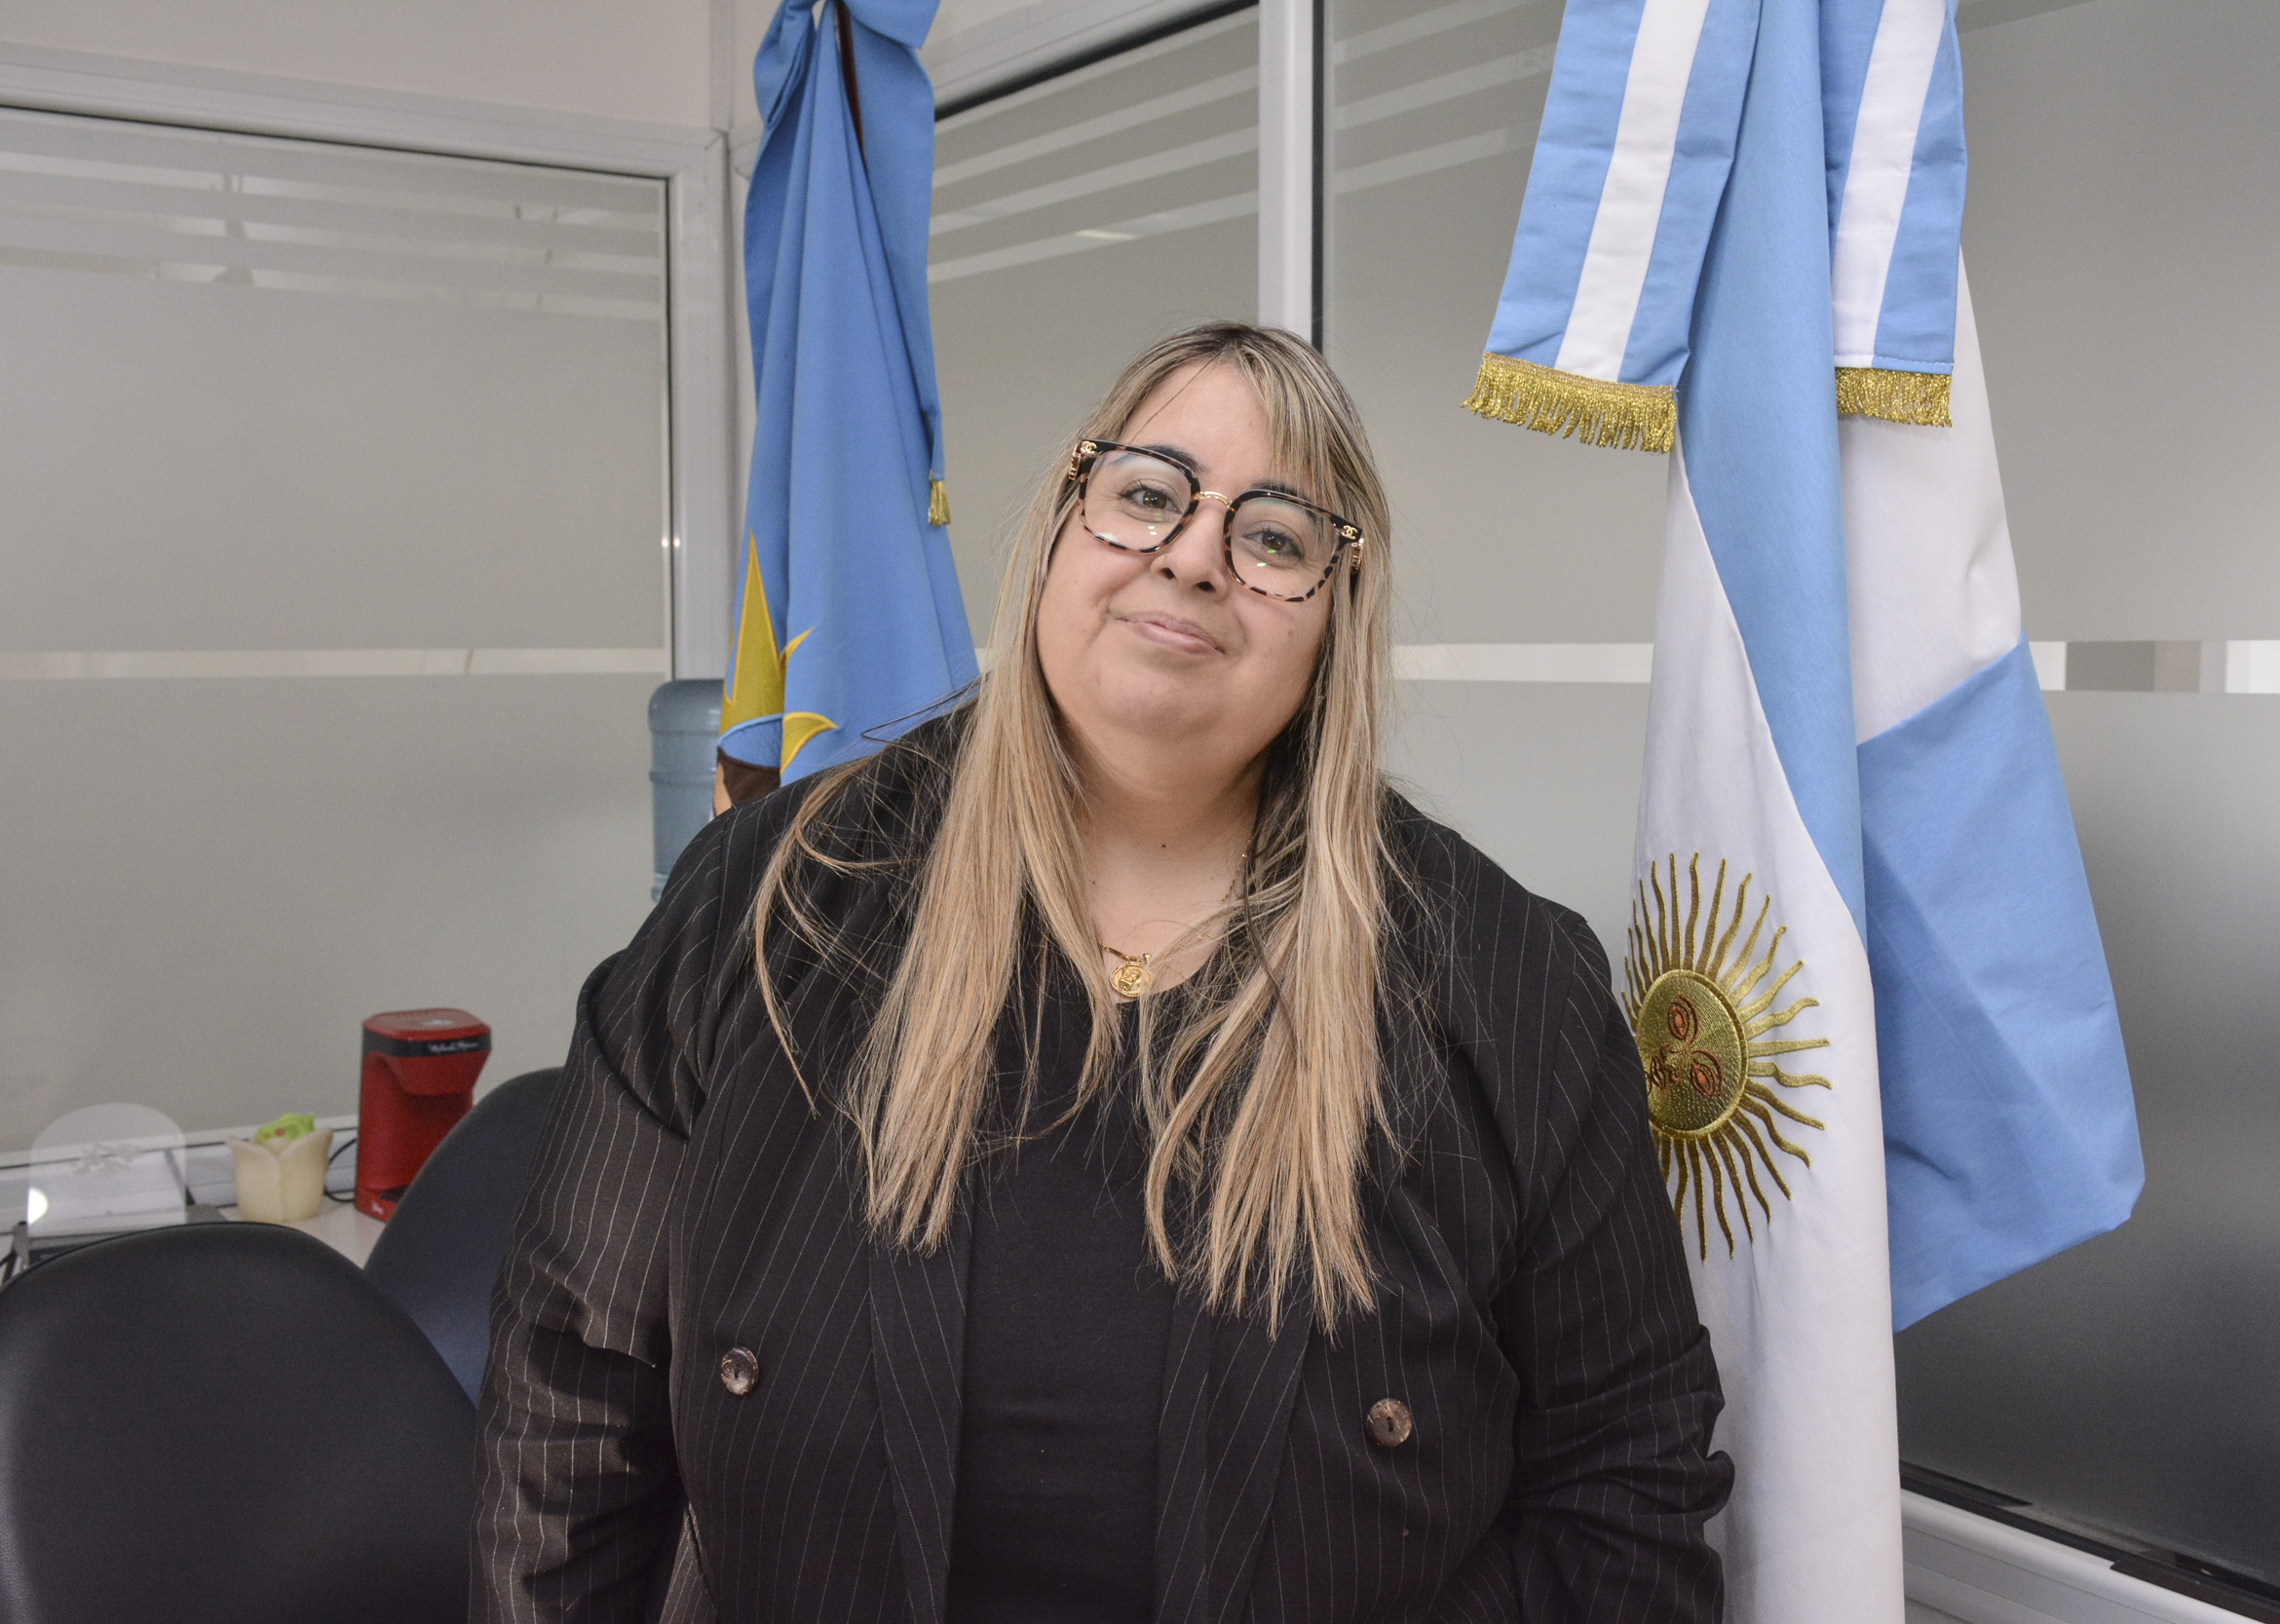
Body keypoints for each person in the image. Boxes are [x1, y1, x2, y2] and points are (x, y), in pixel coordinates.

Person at [474, 322, 1731, 1623]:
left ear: (1335, 625)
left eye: (1275, 537)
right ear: (1061, 530)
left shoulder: (1511, 984)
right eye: (1146, 494)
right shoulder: (767, 897)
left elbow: (1627, 1476)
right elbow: (571, 1388)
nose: (1191, 556)